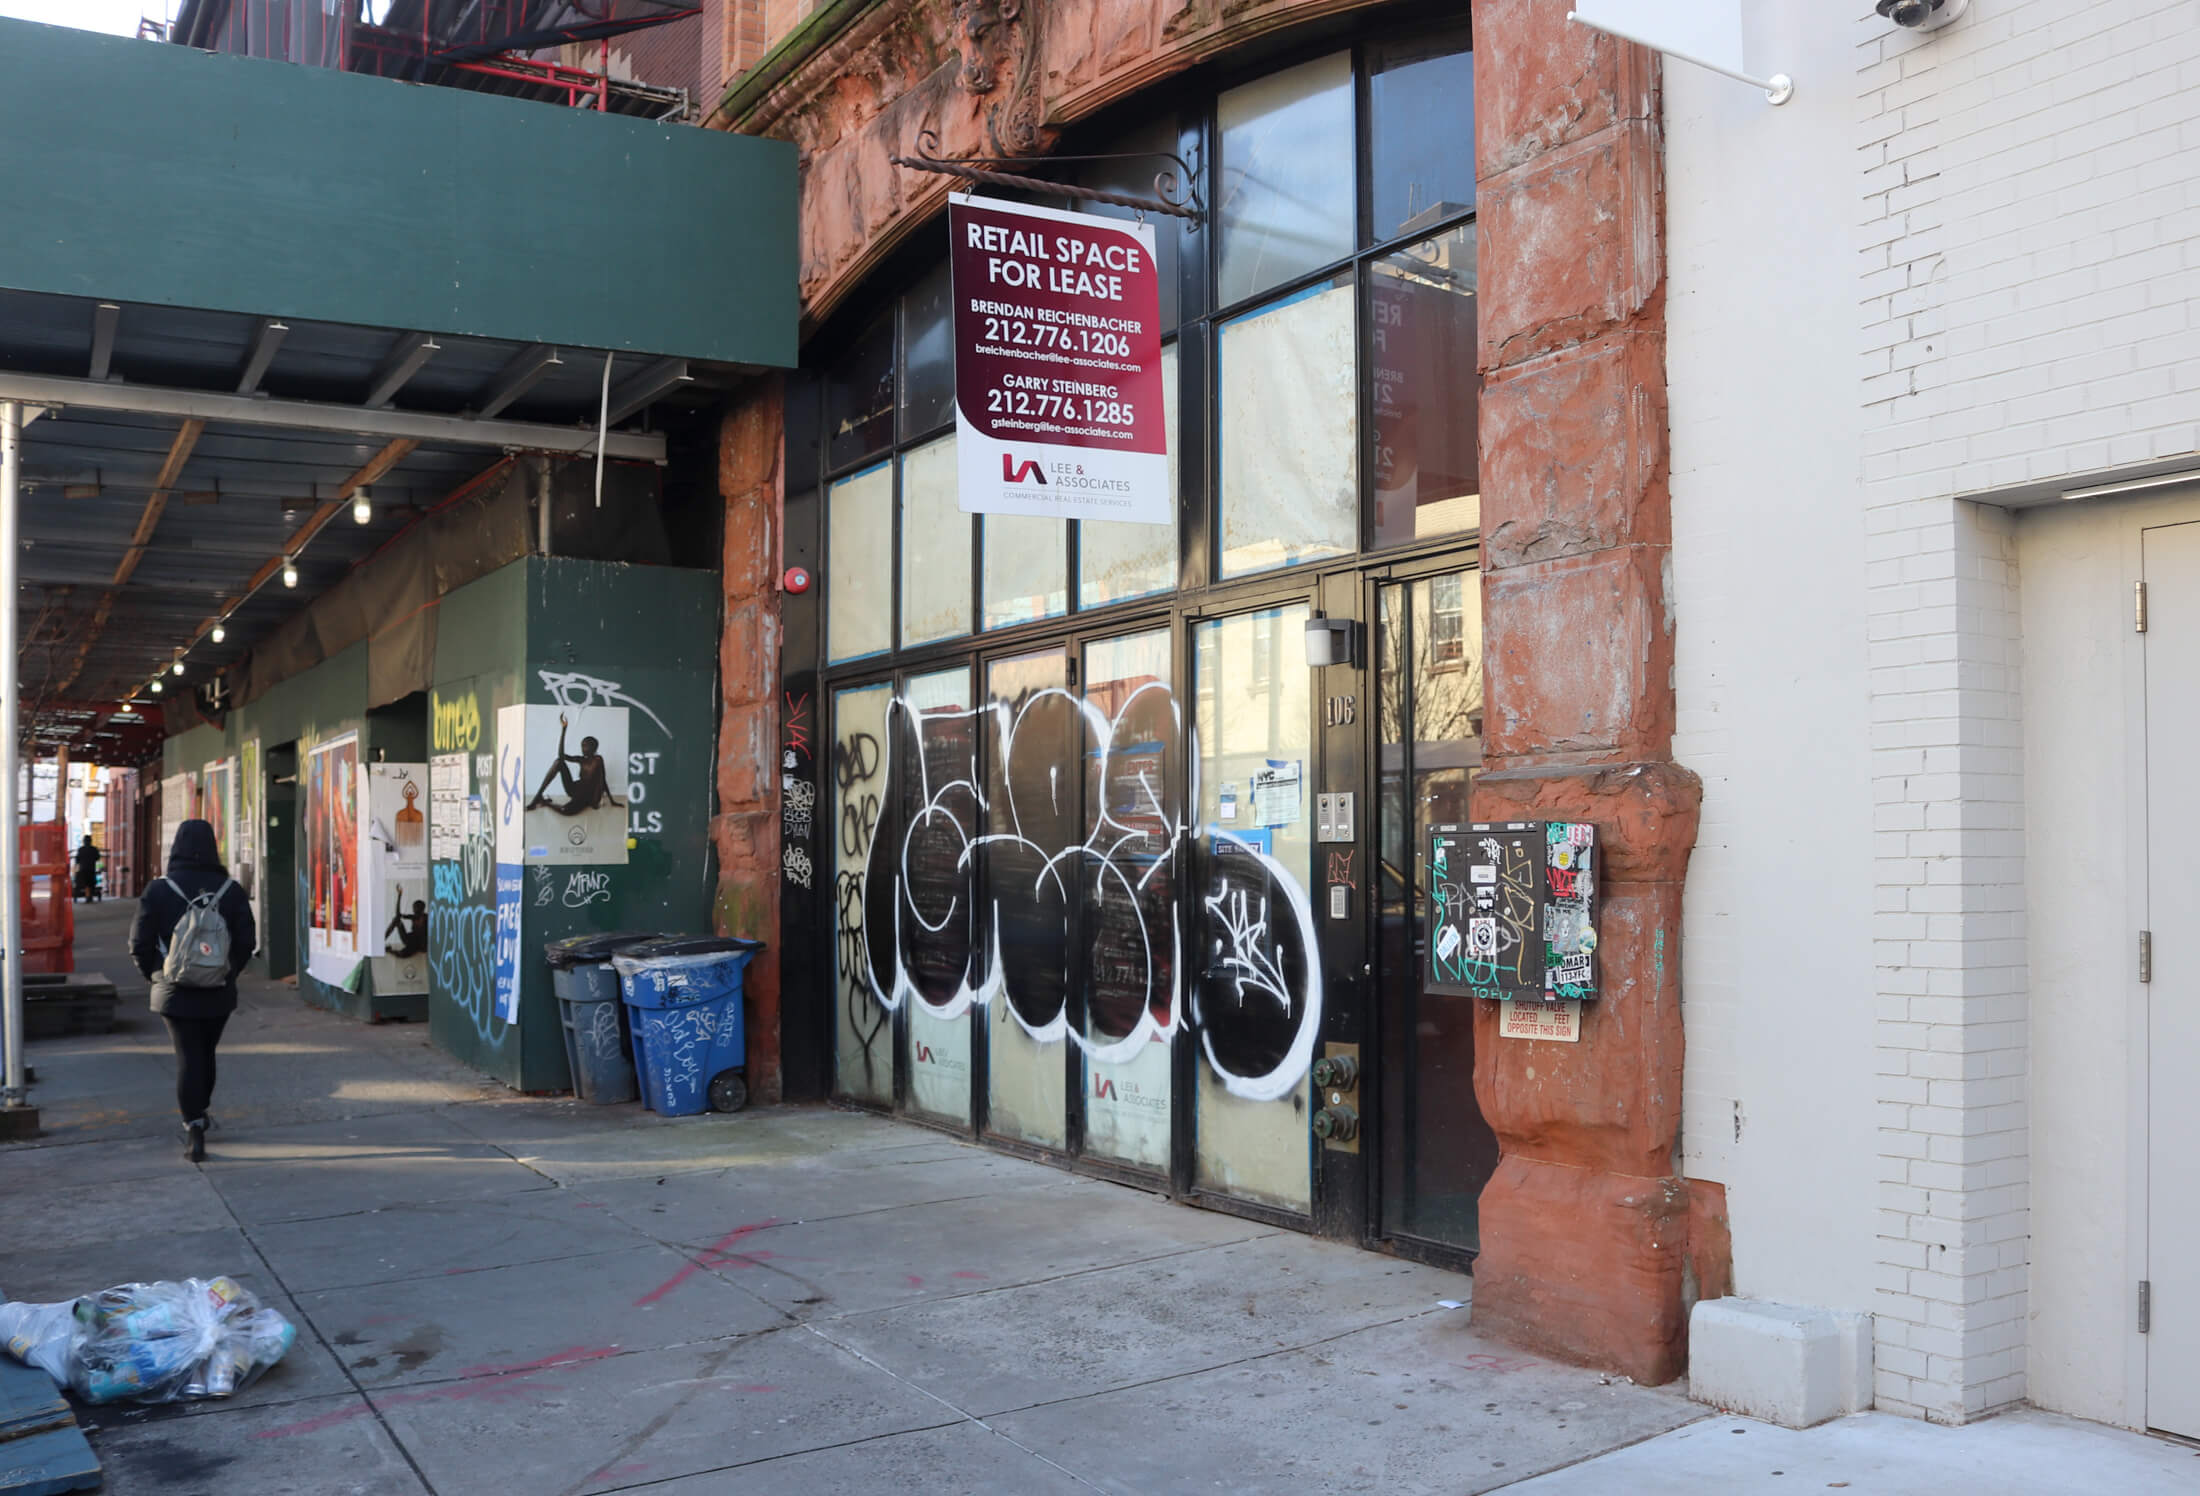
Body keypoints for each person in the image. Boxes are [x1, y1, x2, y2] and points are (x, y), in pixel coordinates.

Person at [129, 820, 256, 1163]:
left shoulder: (158, 890)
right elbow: (247, 942)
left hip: (174, 991)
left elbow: (139, 944)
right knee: (206, 1052)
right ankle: (201, 1110)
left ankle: (194, 1127)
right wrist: (227, 974)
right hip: (218, 991)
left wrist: (156, 976)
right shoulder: (230, 889)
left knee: (187, 1055)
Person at [525, 713, 622, 815]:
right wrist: (564, 730)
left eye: (585, 746)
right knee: (559, 762)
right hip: (575, 789)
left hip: (586, 796)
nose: (582, 748)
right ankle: (537, 797)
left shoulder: (598, 760)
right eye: (582, 745)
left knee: (565, 810)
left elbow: (603, 779)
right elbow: (561, 755)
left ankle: (544, 802)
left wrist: (611, 801)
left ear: (593, 748)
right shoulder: (581, 759)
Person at [72, 835, 102, 902]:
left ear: (84, 841)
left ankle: (88, 896)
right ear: (90, 841)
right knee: (91, 883)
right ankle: (89, 896)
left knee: (85, 883)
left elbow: (77, 860)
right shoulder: (94, 849)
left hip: (83, 870)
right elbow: (98, 858)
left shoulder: (81, 849)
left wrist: (76, 867)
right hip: (91, 869)